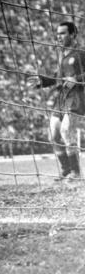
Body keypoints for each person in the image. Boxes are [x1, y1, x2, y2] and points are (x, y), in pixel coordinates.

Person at [26, 21, 85, 180]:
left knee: (67, 130)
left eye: (63, 33)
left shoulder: (80, 53)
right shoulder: (62, 55)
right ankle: (66, 169)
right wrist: (43, 82)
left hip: (77, 98)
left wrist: (77, 79)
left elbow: (76, 78)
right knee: (53, 134)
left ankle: (76, 173)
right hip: (62, 98)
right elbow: (58, 78)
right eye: (58, 34)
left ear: (72, 34)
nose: (59, 37)